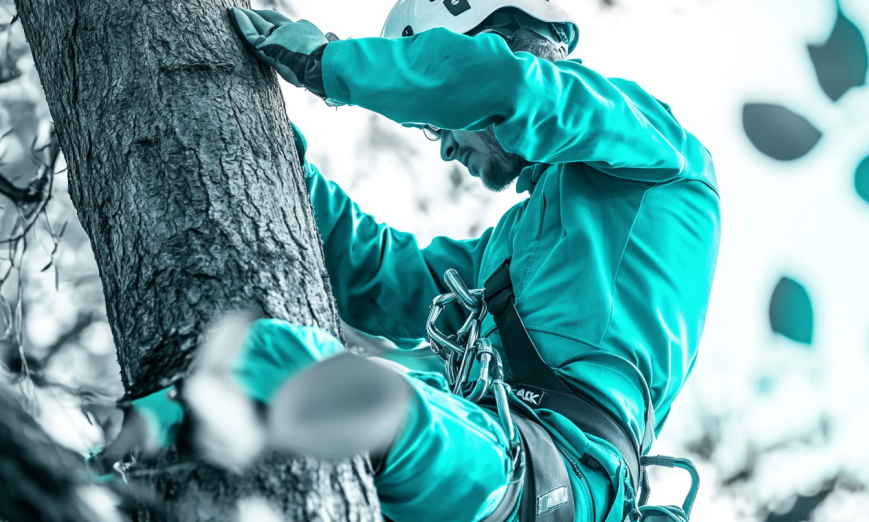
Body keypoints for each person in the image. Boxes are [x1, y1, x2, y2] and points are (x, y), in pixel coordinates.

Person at [95, 2, 720, 521]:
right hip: (496, 459)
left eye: (439, 123)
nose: (444, 147)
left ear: (501, 40)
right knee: (279, 365)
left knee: (291, 365)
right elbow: (389, 277)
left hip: (556, 480)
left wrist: (330, 63)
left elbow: (508, 87)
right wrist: (281, 169)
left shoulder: (662, 154)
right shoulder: (516, 248)